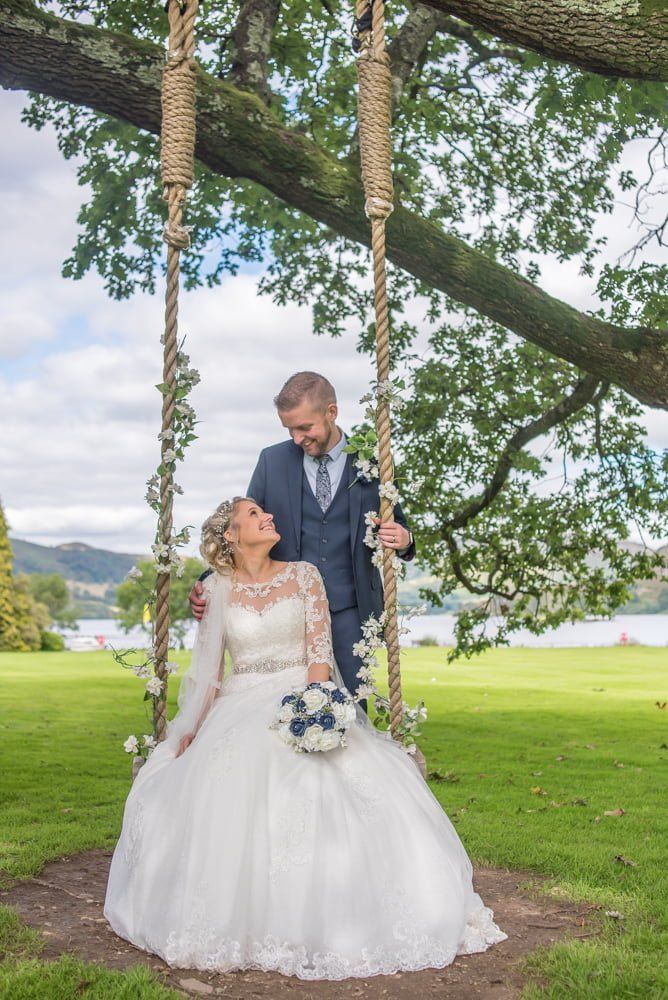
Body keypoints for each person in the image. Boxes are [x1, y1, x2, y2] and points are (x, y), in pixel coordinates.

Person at [105, 497, 507, 979]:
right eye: (254, 515)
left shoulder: (303, 575)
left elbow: (319, 650)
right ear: (231, 535)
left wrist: (317, 707)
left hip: (300, 694)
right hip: (239, 700)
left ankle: (347, 909)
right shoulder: (215, 589)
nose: (268, 516)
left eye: (265, 512)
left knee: (329, 776)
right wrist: (188, 730)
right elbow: (211, 672)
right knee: (223, 780)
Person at [190, 371, 414, 702]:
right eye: (289, 429)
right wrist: (211, 583)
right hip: (288, 614)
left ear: (331, 412)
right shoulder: (272, 461)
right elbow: (244, 531)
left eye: (305, 427)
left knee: (351, 711)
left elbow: (401, 527)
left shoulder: (372, 462)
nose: (297, 438)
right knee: (285, 711)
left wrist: (404, 539)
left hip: (349, 612)